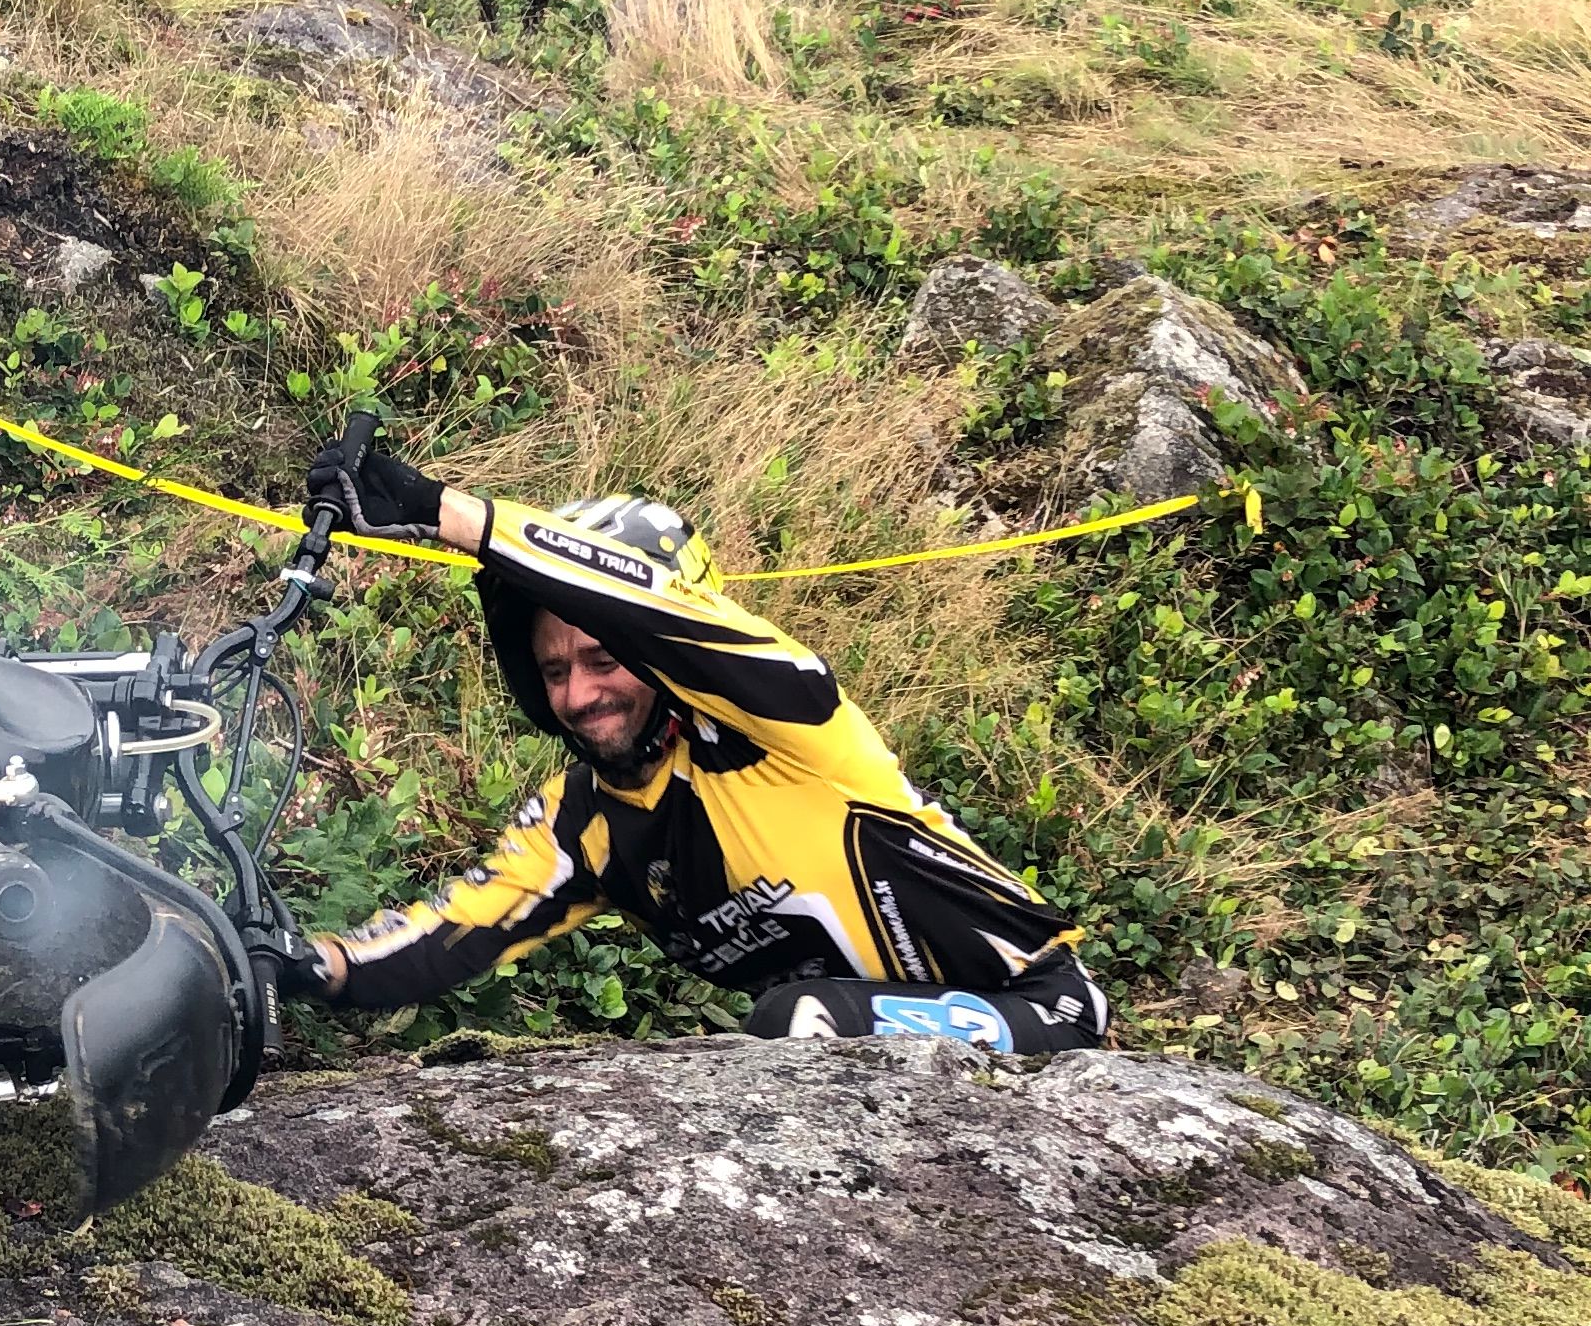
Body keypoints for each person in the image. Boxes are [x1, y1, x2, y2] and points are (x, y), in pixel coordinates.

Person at [284, 437, 1108, 1053]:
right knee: (792, 1027)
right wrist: (306, 964)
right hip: (843, 1045)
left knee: (798, 1021)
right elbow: (455, 931)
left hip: (1040, 1008)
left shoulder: (783, 720)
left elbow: (662, 614)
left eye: (604, 661)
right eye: (554, 671)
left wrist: (450, 515)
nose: (577, 696)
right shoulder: (583, 823)